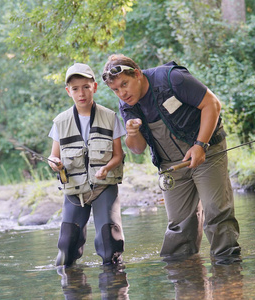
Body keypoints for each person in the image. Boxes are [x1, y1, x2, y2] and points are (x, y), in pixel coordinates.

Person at [101, 54, 241, 264]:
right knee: (179, 228)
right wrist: (131, 133)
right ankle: (185, 278)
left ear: (137, 74)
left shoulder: (172, 78)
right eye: (116, 90)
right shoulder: (126, 105)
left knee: (216, 211)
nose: (122, 93)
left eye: (124, 84)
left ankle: (228, 273)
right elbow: (138, 149)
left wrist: (200, 145)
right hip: (172, 166)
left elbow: (212, 104)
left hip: (207, 151)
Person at [48, 63, 126, 267]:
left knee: (110, 246)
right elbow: (53, 157)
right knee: (66, 250)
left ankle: (115, 288)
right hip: (75, 190)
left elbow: (118, 155)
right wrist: (54, 163)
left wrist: (106, 168)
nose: (81, 93)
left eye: (85, 86)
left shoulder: (110, 117)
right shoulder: (60, 122)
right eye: (75, 89)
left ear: (95, 87)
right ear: (68, 91)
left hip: (104, 187)